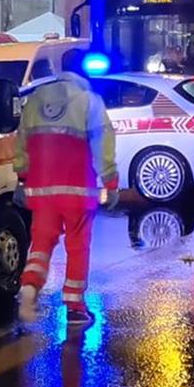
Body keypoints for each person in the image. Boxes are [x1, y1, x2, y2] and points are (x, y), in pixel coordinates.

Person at [13, 49, 118, 325]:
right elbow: (103, 145)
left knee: (41, 243)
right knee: (77, 246)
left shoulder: (34, 101)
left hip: (41, 191)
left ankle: (29, 287)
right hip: (77, 192)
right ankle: (74, 305)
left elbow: (21, 143)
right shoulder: (88, 101)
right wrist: (111, 183)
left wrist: (22, 180)